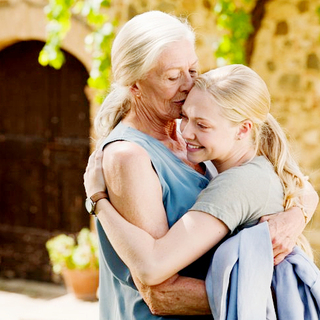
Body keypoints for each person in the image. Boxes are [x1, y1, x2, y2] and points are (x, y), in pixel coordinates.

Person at [84, 11, 318, 319]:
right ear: (135, 85)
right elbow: (160, 293)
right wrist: (272, 293)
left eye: (193, 69)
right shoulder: (129, 157)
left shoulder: (193, 130)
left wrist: (293, 217)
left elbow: (287, 177)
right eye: (172, 77)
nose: (188, 84)